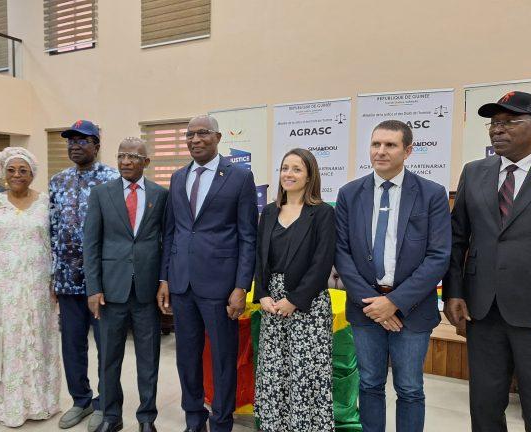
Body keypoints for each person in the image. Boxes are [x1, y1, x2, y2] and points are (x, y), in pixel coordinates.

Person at [443, 91, 531, 432]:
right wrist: (453, 293)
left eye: (510, 122)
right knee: (484, 410)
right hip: (483, 314)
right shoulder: (474, 173)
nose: (498, 131)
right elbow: (457, 239)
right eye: (494, 124)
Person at [334, 120, 451, 432]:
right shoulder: (349, 194)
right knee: (370, 384)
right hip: (366, 310)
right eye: (376, 144)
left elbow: (438, 256)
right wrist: (376, 305)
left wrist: (395, 303)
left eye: (390, 145)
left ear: (408, 151)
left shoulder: (431, 194)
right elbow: (342, 254)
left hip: (412, 311)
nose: (380, 151)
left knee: (410, 389)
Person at [158, 114, 258, 432]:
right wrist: (165, 279)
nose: (195, 139)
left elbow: (248, 236)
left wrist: (242, 285)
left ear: (217, 138)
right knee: (186, 356)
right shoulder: (177, 177)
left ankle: (221, 421)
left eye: (202, 133)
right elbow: (171, 233)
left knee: (223, 358)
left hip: (221, 286)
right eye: (190, 134)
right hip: (182, 283)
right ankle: (194, 418)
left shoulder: (239, 177)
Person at [0, 147, 63, 427]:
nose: (17, 175)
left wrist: (56, 279)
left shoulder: (46, 203)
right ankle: (10, 405)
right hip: (2, 290)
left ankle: (41, 402)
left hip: (38, 287)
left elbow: (56, 243)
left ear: (32, 173)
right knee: (9, 345)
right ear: (2, 173)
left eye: (23, 170)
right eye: (11, 170)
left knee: (39, 343)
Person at [84, 138, 168, 432]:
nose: (126, 161)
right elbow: (91, 244)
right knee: (108, 358)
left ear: (147, 162)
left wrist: (163, 280)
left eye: (134, 156)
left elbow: (166, 241)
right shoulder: (101, 194)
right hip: (110, 291)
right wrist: (93, 288)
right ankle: (111, 416)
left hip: (146, 292)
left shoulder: (160, 194)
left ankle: (147, 418)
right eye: (121, 156)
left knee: (149, 360)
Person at [253, 148, 336, 431]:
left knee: (304, 374)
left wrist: (295, 300)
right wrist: (262, 293)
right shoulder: (268, 211)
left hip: (307, 304)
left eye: (297, 169)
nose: (288, 174)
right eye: (284, 168)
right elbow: (259, 257)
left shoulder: (322, 213)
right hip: (271, 305)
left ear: (310, 175)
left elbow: (322, 262)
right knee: (274, 373)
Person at [50, 120, 118, 431]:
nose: (75, 145)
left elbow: (118, 233)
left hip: (100, 282)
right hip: (66, 279)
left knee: (107, 345)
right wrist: (51, 275)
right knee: (72, 344)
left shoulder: (112, 180)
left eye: (83, 140)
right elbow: (51, 231)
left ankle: (105, 403)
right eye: (71, 141)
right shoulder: (58, 181)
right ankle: (80, 400)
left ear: (97, 145)